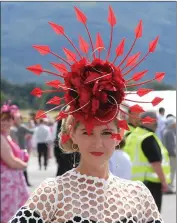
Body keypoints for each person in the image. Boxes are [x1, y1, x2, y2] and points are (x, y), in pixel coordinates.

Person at [10, 6, 165, 222]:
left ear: (119, 135)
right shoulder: (52, 194)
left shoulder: (139, 196)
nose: (98, 143)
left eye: (106, 134)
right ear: (71, 134)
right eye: (87, 132)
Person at [124, 111, 171, 212]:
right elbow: (155, 162)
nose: (157, 123)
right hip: (150, 183)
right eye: (155, 120)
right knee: (152, 215)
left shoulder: (133, 135)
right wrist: (164, 182)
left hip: (134, 183)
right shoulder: (148, 137)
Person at [0, 102, 29, 222]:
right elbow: (10, 161)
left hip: (12, 183)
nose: (6, 123)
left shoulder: (7, 136)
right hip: (6, 184)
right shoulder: (1, 137)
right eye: (2, 120)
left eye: (8, 120)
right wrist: (24, 164)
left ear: (13, 121)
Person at [11, 113, 34, 186]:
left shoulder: (21, 127)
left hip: (21, 149)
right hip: (15, 150)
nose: (17, 120)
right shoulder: (13, 128)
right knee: (18, 166)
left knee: (23, 166)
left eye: (18, 119)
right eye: (16, 118)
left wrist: (31, 125)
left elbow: (31, 132)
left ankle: (25, 182)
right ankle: (22, 182)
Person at [162, 116, 176, 193]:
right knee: (172, 171)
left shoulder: (167, 131)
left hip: (168, 155)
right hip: (171, 155)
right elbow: (171, 146)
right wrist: (174, 154)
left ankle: (169, 187)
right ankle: (170, 187)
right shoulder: (170, 132)